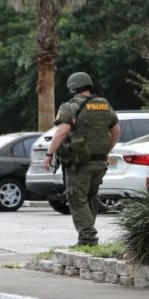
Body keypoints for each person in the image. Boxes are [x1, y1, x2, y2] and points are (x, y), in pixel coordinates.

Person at [43, 72, 120, 246]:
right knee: (90, 197)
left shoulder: (70, 107)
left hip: (79, 163)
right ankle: (85, 238)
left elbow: (62, 132)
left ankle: (88, 239)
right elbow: (116, 132)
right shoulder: (104, 105)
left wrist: (49, 154)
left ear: (73, 88)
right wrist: (106, 150)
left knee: (77, 198)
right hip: (100, 161)